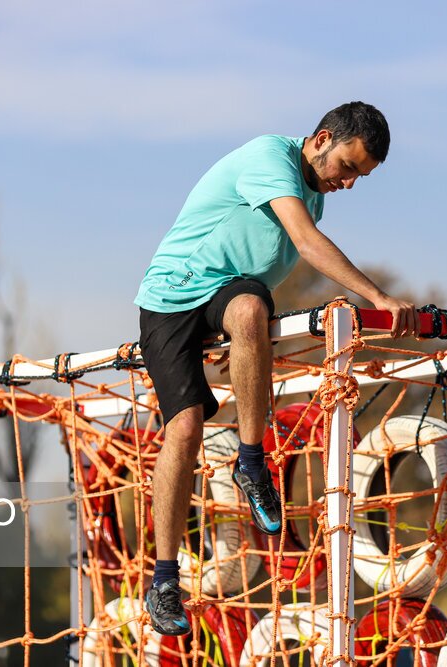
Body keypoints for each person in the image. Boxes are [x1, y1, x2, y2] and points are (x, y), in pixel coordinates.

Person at [134, 101, 417, 635]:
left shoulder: (315, 191)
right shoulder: (270, 157)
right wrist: (379, 298)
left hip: (226, 294)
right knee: (186, 427)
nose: (348, 184)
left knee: (250, 310)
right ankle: (165, 581)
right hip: (172, 298)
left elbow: (258, 272)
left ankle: (251, 463)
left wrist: (243, 340)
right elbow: (306, 244)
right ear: (322, 139)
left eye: (360, 177)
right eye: (348, 167)